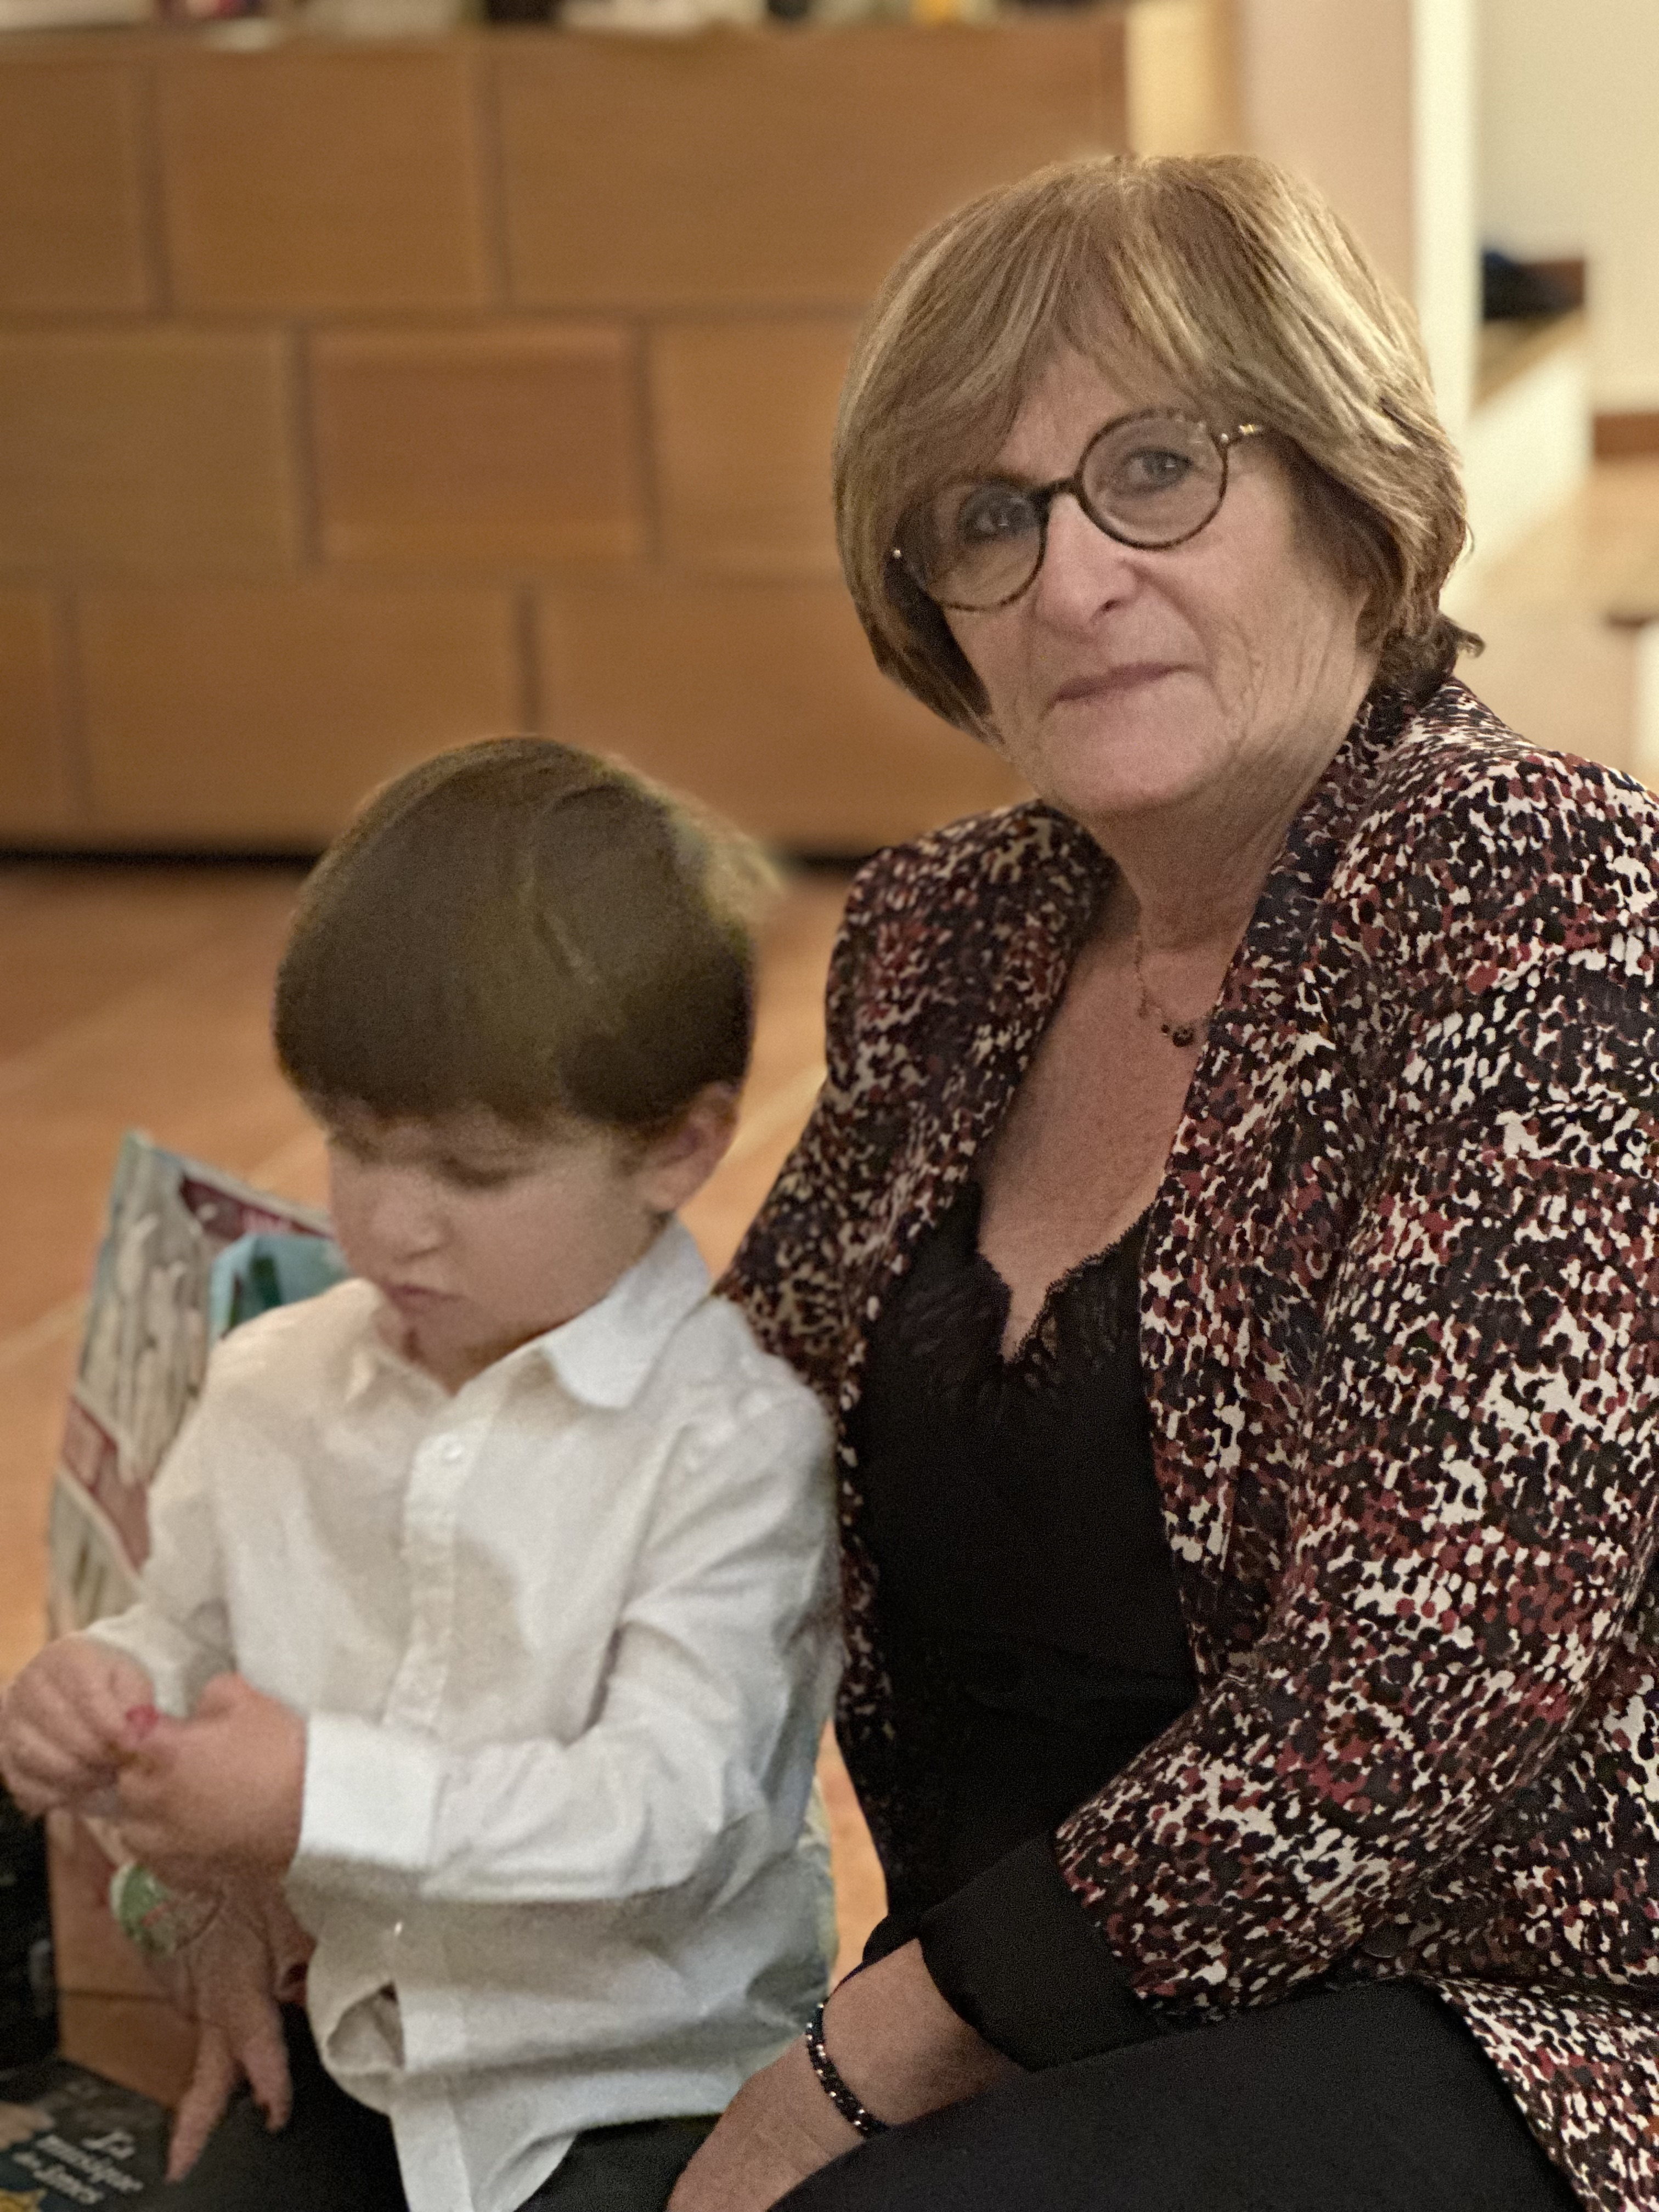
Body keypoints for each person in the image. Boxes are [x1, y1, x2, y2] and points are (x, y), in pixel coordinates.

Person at [668, 154, 1659, 2212]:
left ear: (1351, 495)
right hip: (1013, 2018)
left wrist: (861, 2061)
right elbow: (700, 1432)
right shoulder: (950, 932)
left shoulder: (1539, 898)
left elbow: (1424, 1670)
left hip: (1500, 2008)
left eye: (1155, 472)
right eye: (988, 517)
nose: (1070, 582)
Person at [0, 739, 839, 2212]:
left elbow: (667, 1813)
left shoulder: (731, 1447)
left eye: (474, 1172)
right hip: (359, 2057)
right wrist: (101, 1692)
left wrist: (320, 1795)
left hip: (644, 2090)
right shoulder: (272, 1387)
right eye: (355, 1146)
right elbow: (186, 1636)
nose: (393, 1224)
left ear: (679, 1148)